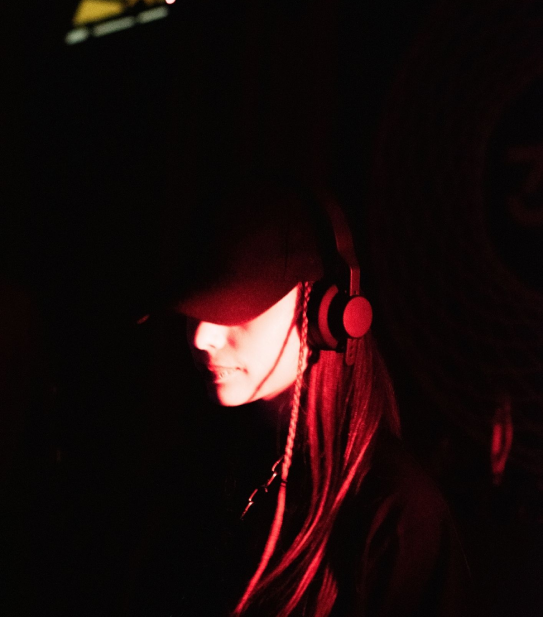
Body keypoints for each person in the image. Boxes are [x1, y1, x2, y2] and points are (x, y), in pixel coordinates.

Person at [127, 175, 473, 617]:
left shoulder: (397, 514)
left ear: (327, 312)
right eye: (194, 311)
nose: (201, 337)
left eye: (234, 309)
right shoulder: (193, 472)